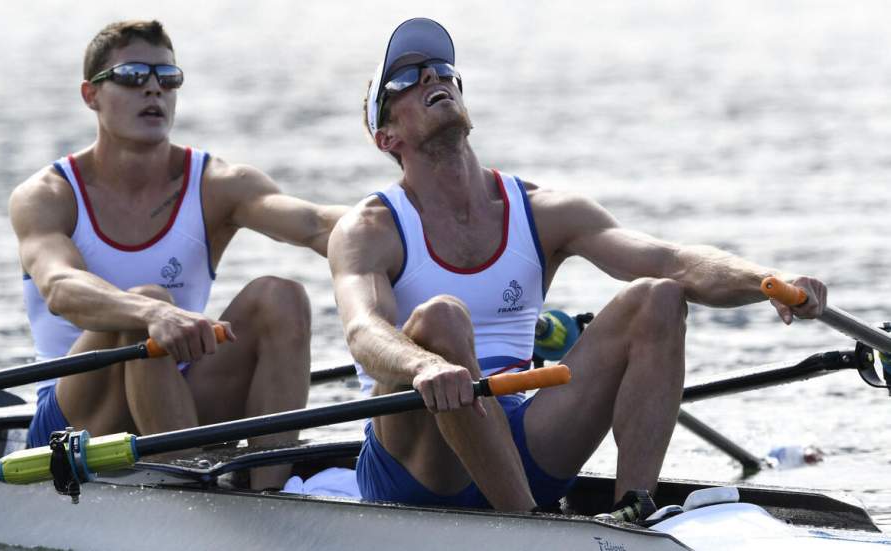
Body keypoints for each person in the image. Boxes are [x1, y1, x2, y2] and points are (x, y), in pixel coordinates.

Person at [327, 17, 827, 516]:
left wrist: (769, 284)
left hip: (523, 438)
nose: (432, 78)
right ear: (386, 136)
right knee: (442, 318)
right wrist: (425, 364)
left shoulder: (544, 211)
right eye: (406, 79)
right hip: (413, 461)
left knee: (659, 295)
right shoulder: (369, 228)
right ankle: (527, 525)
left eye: (440, 69)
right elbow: (363, 332)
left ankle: (635, 511)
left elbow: (673, 261)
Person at [9, 20, 346, 490]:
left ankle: (270, 494)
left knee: (282, 297)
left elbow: (317, 224)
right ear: (91, 95)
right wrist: (151, 310)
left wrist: (407, 233)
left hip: (176, 398)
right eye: (131, 75)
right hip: (73, 420)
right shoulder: (47, 195)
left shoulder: (217, 184)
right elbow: (59, 288)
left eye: (168, 78)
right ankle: (192, 495)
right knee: (144, 302)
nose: (153, 88)